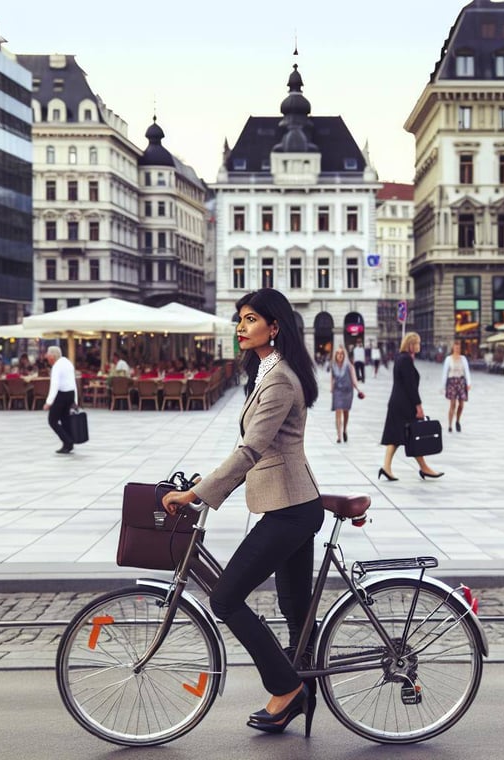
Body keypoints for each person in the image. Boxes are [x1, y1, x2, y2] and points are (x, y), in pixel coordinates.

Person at [161, 288, 322, 737]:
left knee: (226, 598)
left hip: (290, 508)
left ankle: (286, 689)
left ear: (275, 327)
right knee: (294, 608)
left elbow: (251, 449)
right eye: (240, 319)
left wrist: (198, 493)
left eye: (250, 319)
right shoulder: (267, 372)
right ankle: (297, 688)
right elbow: (251, 443)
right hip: (289, 502)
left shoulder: (280, 379)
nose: (241, 327)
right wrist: (204, 480)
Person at [379, 331, 443, 482]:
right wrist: (418, 406)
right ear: (411, 345)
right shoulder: (406, 360)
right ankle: (424, 468)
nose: (419, 346)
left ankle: (387, 468)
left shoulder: (401, 358)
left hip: (398, 403)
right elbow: (410, 386)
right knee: (413, 436)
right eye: (417, 343)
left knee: (397, 437)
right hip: (404, 405)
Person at [43, 346, 78, 454]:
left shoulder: (56, 366)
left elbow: (55, 385)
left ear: (53, 356)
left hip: (62, 394)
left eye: (48, 355)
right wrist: (76, 400)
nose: (46, 357)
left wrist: (49, 402)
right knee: (65, 419)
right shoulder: (67, 362)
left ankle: (67, 441)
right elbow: (73, 381)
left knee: (52, 420)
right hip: (70, 393)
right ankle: (68, 444)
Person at [330, 345, 364, 443]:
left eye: (341, 354)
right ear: (335, 355)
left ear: (344, 355)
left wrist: (358, 389)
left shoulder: (349, 366)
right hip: (337, 391)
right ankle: (339, 435)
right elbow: (332, 377)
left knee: (345, 412)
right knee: (338, 411)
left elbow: (354, 379)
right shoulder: (333, 365)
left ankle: (344, 429)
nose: (340, 356)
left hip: (348, 391)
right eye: (338, 354)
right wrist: (331, 387)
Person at [440, 341, 471, 433]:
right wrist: (443, 386)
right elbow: (445, 373)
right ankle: (450, 424)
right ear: (453, 348)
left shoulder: (463, 359)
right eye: (455, 347)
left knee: (461, 404)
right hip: (452, 382)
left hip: (461, 381)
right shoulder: (448, 359)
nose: (457, 349)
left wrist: (469, 383)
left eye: (458, 347)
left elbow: (467, 371)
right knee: (452, 404)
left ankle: (457, 420)